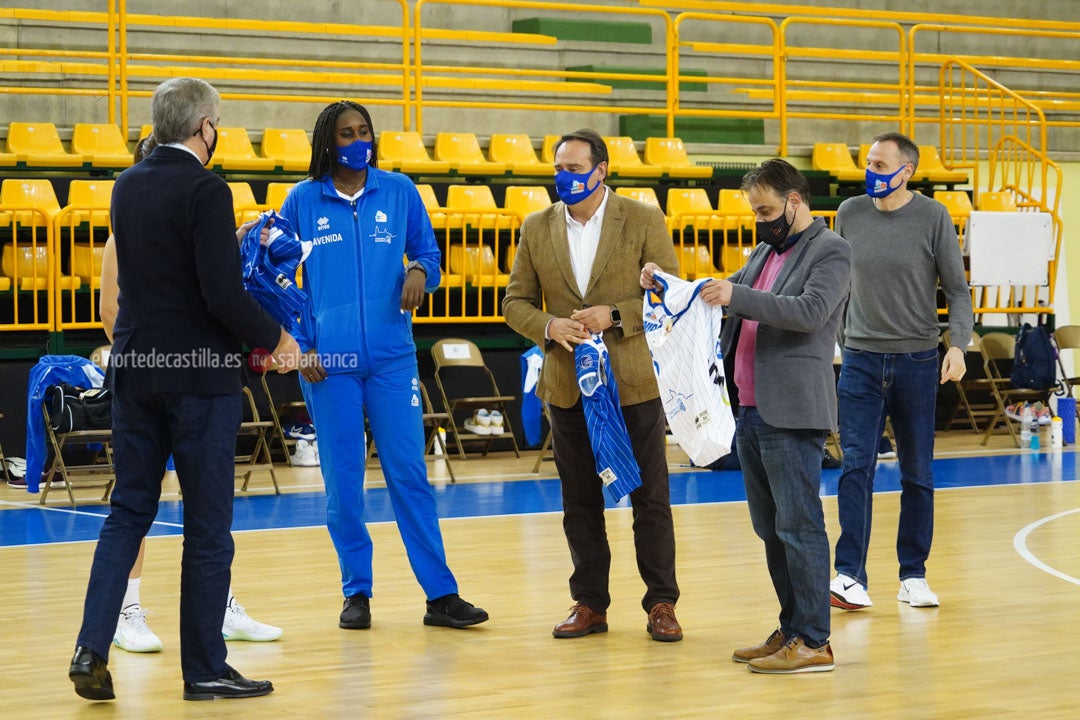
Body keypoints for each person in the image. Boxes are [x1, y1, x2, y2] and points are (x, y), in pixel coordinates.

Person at [69, 77, 301, 702]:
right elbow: (220, 295)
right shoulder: (207, 187)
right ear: (203, 126)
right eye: (217, 121)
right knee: (206, 526)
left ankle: (90, 646)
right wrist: (276, 340)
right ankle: (204, 669)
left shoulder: (126, 184)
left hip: (136, 370)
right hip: (198, 377)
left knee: (127, 515)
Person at [276, 101, 488, 631]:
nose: (357, 139)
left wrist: (419, 269)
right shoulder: (301, 201)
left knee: (410, 476)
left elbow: (431, 257)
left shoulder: (399, 191)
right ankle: (357, 592)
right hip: (330, 364)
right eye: (346, 132)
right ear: (328, 141)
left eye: (364, 130)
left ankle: (440, 595)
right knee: (343, 483)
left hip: (393, 359)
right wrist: (301, 344)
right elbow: (278, 282)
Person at [648, 159, 850, 672]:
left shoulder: (832, 251)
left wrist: (736, 294)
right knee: (770, 527)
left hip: (792, 410)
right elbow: (712, 294)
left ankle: (814, 639)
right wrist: (666, 285)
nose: (760, 220)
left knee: (800, 526)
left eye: (765, 209)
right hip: (749, 407)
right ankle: (791, 627)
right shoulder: (766, 250)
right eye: (755, 211)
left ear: (794, 201)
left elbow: (808, 312)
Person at [98, 134, 283, 654]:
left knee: (206, 509)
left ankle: (218, 604)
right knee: (140, 502)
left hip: (197, 382)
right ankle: (126, 608)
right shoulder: (124, 237)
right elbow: (111, 315)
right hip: (157, 376)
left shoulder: (196, 222)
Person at [503, 129, 683, 642]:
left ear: (601, 170)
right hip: (566, 385)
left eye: (575, 168)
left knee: (651, 498)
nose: (565, 177)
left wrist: (616, 314)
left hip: (631, 383)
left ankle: (662, 603)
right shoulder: (536, 227)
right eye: (559, 168)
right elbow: (514, 301)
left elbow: (671, 296)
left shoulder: (644, 219)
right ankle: (589, 603)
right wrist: (549, 327)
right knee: (580, 500)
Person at [829, 132, 972, 611]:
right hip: (861, 361)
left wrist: (958, 346)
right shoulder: (849, 213)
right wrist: (839, 341)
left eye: (879, 162)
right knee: (855, 467)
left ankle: (913, 575)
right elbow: (835, 280)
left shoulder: (933, 216)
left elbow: (957, 290)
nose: (870, 168)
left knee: (918, 472)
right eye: (866, 160)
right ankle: (848, 575)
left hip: (918, 361)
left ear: (905, 171)